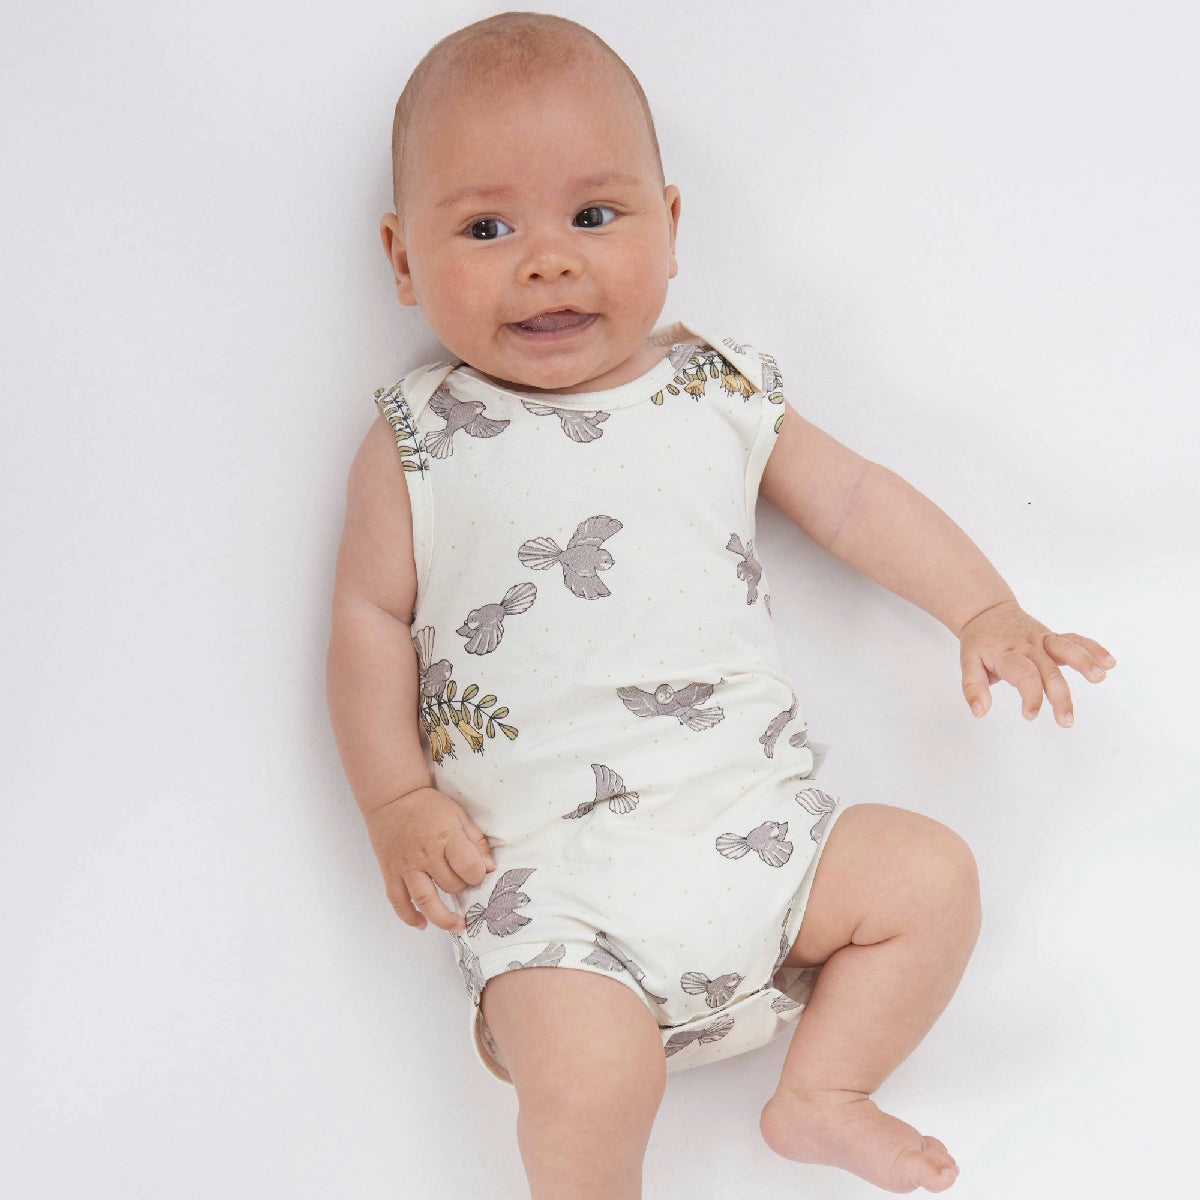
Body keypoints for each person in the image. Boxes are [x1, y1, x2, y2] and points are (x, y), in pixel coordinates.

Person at [325, 11, 1115, 1198]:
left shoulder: (719, 390)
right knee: (588, 1087)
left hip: (762, 842)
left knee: (931, 877)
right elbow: (367, 623)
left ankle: (824, 1092)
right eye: (487, 228)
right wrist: (393, 799)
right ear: (401, 260)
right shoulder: (420, 440)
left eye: (595, 216)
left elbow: (854, 499)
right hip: (554, 893)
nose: (547, 262)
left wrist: (984, 609)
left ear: (671, 225)